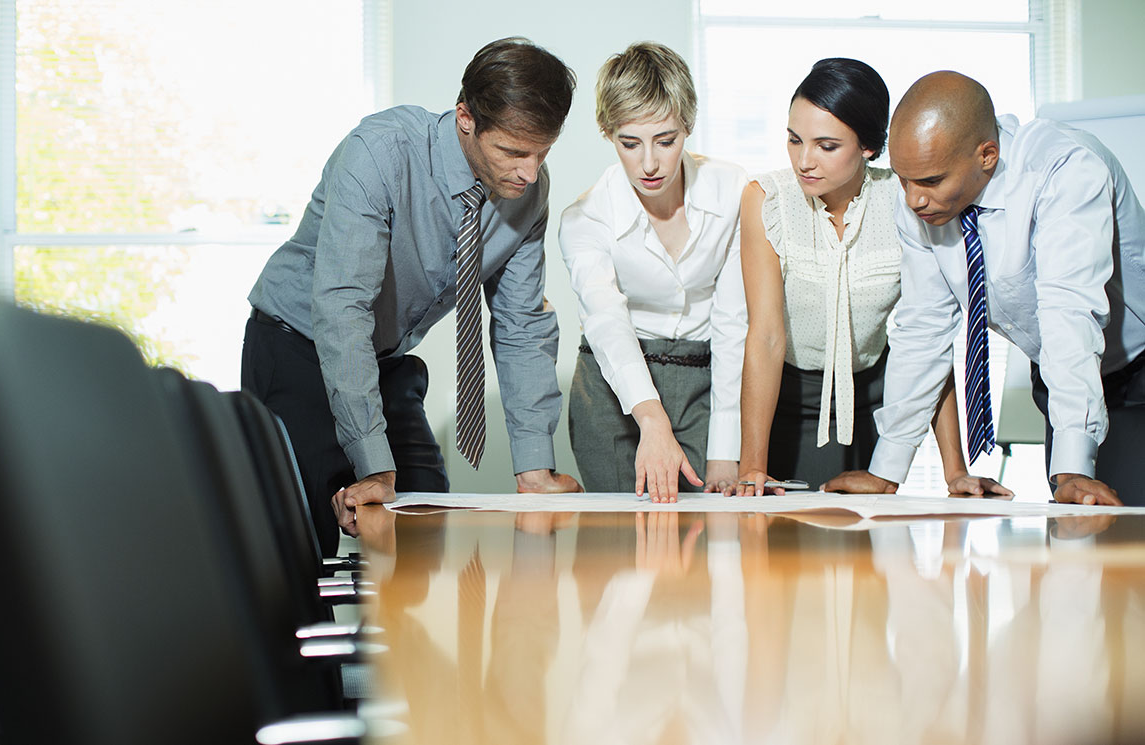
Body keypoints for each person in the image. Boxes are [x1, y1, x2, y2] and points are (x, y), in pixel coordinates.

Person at [241, 37, 582, 554]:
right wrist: (374, 468)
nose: (529, 173)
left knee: (424, 527)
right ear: (466, 117)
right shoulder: (379, 154)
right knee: (303, 547)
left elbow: (521, 324)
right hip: (296, 347)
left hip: (382, 361)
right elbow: (342, 309)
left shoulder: (527, 190)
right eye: (513, 152)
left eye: (542, 153)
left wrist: (535, 468)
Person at [824, 71, 1145, 506]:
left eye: (932, 181)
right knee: (1078, 534)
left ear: (987, 155)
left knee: (1124, 535)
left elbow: (1067, 312)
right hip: (1057, 372)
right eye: (903, 180)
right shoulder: (922, 204)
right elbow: (925, 326)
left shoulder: (1064, 169)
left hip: (1134, 364)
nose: (914, 199)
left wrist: (1071, 468)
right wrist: (887, 470)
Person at [736, 59, 1005, 496]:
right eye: (794, 139)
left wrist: (955, 471)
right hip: (784, 403)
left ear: (869, 147)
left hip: (875, 407)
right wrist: (752, 465)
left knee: (865, 555)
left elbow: (928, 337)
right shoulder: (766, 200)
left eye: (826, 146)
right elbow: (765, 336)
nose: (804, 161)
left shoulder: (906, 201)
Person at [559, 42, 747, 503]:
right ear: (607, 133)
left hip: (709, 382)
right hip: (613, 390)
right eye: (630, 143)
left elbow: (734, 321)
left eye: (666, 140)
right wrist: (651, 418)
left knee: (708, 551)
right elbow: (607, 320)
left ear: (689, 126)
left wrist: (726, 444)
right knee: (621, 553)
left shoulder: (734, 191)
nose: (649, 163)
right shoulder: (583, 218)